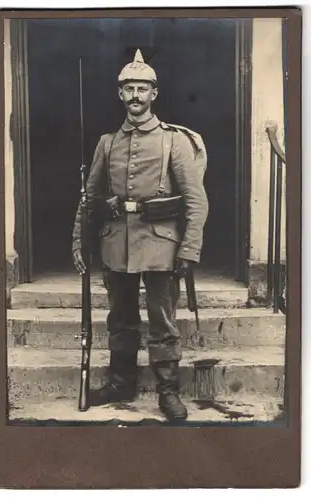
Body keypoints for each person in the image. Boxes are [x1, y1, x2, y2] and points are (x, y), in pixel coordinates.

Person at [72, 49, 208, 421]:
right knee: (121, 317)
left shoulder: (173, 141)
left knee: (163, 321)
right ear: (120, 94)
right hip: (116, 241)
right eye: (129, 88)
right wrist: (79, 241)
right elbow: (89, 197)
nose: (135, 95)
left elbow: (197, 201)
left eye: (142, 89)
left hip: (162, 244)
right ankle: (121, 383)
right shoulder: (107, 143)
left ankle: (168, 390)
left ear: (154, 94)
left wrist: (189, 248)